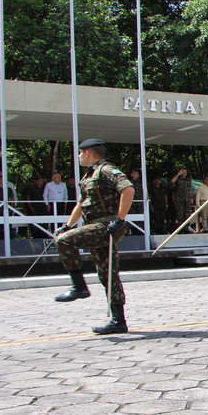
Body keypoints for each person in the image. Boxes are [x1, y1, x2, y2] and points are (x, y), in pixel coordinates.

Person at [52, 138, 135, 334]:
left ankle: (79, 286)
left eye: (80, 153)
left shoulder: (106, 170)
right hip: (96, 225)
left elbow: (128, 189)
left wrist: (120, 220)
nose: (79, 157)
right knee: (107, 273)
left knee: (63, 242)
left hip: (107, 225)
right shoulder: (88, 176)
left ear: (88, 152)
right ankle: (119, 321)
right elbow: (81, 204)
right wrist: (67, 225)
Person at [170, 168, 194, 232]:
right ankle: (179, 229)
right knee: (180, 214)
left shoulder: (188, 179)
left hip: (187, 199)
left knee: (187, 214)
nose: (184, 173)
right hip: (179, 199)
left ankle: (186, 228)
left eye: (185, 171)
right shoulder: (178, 178)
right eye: (183, 171)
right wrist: (178, 174)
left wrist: (191, 197)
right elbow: (172, 181)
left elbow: (190, 189)